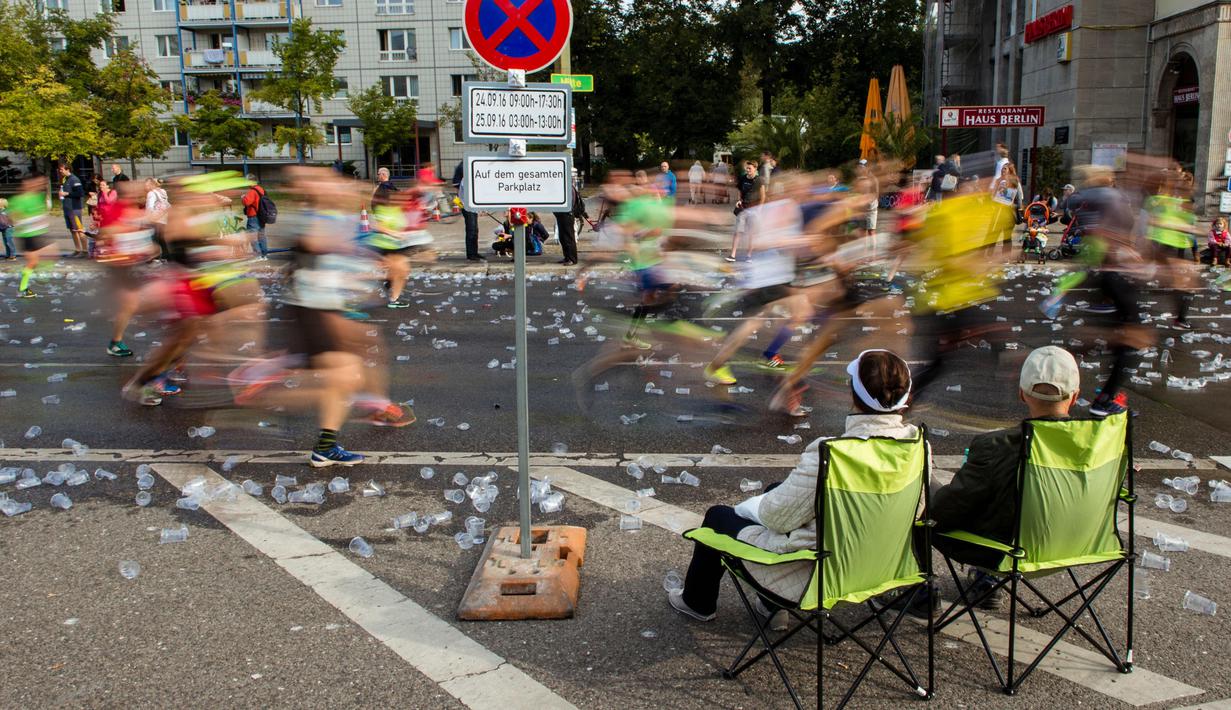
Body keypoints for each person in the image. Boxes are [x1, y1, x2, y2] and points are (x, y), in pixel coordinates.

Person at [668, 349, 920, 622]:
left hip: (818, 576)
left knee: (718, 516)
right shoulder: (919, 447)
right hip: (883, 567)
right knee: (777, 489)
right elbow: (914, 512)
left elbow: (775, 518)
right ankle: (768, 609)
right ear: (904, 397)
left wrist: (756, 508)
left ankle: (698, 603)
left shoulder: (832, 454)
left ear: (853, 394)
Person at [928, 346, 1082, 608]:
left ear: (1022, 394)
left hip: (1006, 552)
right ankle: (983, 578)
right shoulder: (1100, 447)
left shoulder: (999, 446)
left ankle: (921, 588)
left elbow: (946, 510)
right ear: (1075, 397)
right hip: (1077, 547)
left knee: (923, 490)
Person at [11, 174, 59, 297]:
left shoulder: (38, 197)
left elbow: (41, 213)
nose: (40, 185)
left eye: (42, 183)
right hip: (28, 235)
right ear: (27, 184)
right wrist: (26, 221)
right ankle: (39, 276)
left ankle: (24, 287)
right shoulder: (19, 199)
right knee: (48, 253)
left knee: (35, 261)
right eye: (37, 182)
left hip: (39, 233)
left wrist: (42, 220)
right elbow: (15, 217)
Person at [452, 160, 483, 262]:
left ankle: (474, 252)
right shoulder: (466, 180)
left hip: (470, 206)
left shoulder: (468, 178)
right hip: (467, 206)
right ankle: (471, 254)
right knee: (471, 229)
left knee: (474, 229)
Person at [58, 163, 87, 258]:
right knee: (72, 229)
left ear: (67, 169)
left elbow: (80, 193)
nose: (60, 171)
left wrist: (67, 194)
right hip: (67, 208)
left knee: (78, 228)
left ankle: (85, 250)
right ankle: (77, 249)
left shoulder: (74, 179)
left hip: (74, 208)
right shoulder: (65, 179)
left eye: (62, 169)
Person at [242, 174, 269, 259]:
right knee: (261, 236)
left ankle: (257, 256)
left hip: (253, 216)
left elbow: (247, 202)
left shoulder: (252, 191)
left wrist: (243, 197)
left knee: (252, 236)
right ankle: (264, 255)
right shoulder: (261, 189)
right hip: (261, 216)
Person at [144, 177, 171, 260]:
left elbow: (149, 208)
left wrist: (148, 218)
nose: (146, 187)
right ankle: (167, 257)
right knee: (161, 238)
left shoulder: (151, 193)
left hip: (155, 219)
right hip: (163, 219)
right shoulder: (163, 192)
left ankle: (155, 258)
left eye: (147, 185)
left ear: (151, 185)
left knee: (154, 239)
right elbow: (167, 204)